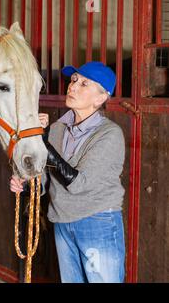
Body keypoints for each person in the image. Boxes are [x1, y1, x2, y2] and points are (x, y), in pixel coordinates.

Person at [10, 61, 126, 283]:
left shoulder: (109, 134)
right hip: (62, 221)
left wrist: (44, 143)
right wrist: (25, 185)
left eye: (84, 84)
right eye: (73, 80)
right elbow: (44, 179)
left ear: (100, 98)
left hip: (97, 221)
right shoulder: (57, 129)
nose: (72, 87)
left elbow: (78, 183)